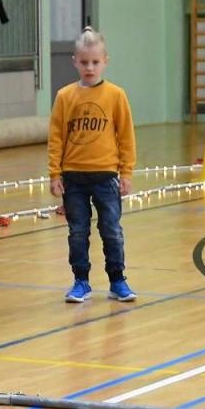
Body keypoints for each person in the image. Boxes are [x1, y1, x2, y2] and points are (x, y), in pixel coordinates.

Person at [48, 27, 135, 304]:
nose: (89, 67)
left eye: (95, 62)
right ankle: (81, 281)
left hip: (106, 176)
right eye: (84, 62)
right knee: (78, 232)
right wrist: (55, 174)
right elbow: (56, 138)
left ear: (105, 61)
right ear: (75, 61)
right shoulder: (65, 96)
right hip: (73, 178)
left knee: (111, 230)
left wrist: (126, 172)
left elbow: (126, 136)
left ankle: (117, 280)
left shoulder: (116, 95)